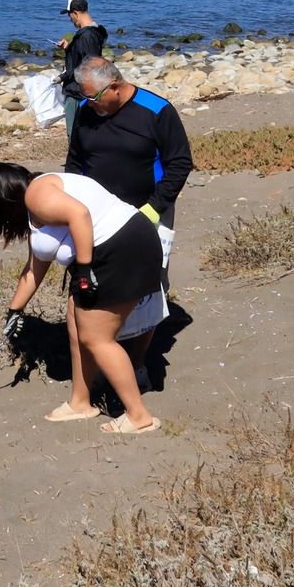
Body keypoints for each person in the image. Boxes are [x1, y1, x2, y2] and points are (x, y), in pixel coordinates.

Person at [0, 162, 162, 434]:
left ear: (4, 200)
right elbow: (34, 269)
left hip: (122, 248)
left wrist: (86, 271)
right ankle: (81, 402)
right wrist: (14, 311)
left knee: (97, 338)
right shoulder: (38, 206)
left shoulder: (36, 193)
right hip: (117, 246)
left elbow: (80, 214)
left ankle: (139, 416)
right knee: (76, 326)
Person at [66, 58, 193, 384]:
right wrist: (72, 199)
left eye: (93, 97)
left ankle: (137, 364)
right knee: (92, 284)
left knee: (148, 290)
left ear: (116, 87)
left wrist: (152, 210)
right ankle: (98, 362)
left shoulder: (157, 110)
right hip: (97, 216)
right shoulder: (86, 109)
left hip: (147, 213)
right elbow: (76, 159)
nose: (88, 104)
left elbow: (180, 163)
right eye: (85, 98)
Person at [55, 0, 109, 136]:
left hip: (78, 93)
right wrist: (69, 49)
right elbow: (84, 58)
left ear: (76, 13)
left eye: (69, 15)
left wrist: (63, 76)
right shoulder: (94, 32)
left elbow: (88, 66)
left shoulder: (86, 36)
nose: (70, 19)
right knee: (83, 135)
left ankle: (78, 158)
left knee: (74, 135)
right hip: (83, 92)